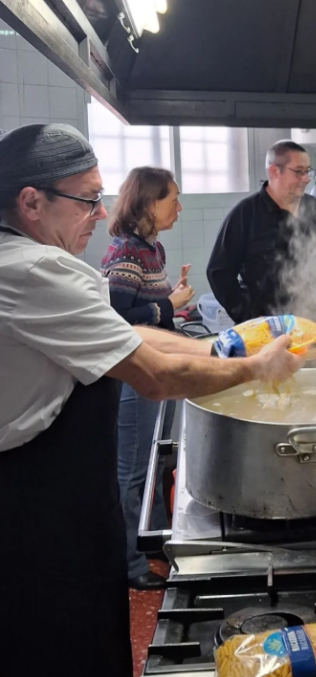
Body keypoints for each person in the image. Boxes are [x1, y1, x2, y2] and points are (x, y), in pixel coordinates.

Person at [0, 124, 303, 677]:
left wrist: (223, 348)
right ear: (31, 202)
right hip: (43, 522)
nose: (101, 213)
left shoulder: (34, 261)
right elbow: (154, 376)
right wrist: (255, 368)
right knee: (66, 671)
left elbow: (128, 335)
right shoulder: (35, 271)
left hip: (57, 510)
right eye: (87, 199)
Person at [101, 167, 193, 590]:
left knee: (156, 461)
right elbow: (118, 320)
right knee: (133, 472)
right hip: (134, 375)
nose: (179, 207)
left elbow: (149, 309)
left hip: (155, 367)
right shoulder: (125, 252)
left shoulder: (151, 248)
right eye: (172, 199)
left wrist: (173, 301)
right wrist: (169, 306)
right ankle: (130, 564)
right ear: (150, 204)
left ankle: (154, 540)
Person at [206, 140, 316, 329]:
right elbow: (219, 272)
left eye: (308, 171)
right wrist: (249, 316)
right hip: (265, 327)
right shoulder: (246, 213)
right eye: (299, 172)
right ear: (274, 171)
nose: (306, 179)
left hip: (313, 322)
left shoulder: (314, 209)